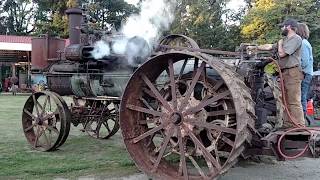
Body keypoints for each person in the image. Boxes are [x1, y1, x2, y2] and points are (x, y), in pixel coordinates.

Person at [248, 19, 305, 127]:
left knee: (293, 100)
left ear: (288, 27)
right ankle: (288, 125)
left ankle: (299, 126)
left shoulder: (296, 39)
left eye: (282, 26)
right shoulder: (284, 40)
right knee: (285, 100)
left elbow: (282, 54)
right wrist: (255, 47)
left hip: (293, 72)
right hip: (284, 73)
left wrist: (279, 44)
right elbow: (269, 46)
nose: (281, 29)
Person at [296, 23, 313, 117]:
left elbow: (304, 61)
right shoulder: (305, 43)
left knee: (301, 96)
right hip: (306, 73)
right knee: (302, 95)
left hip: (304, 73)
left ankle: (302, 119)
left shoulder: (303, 43)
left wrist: (298, 70)